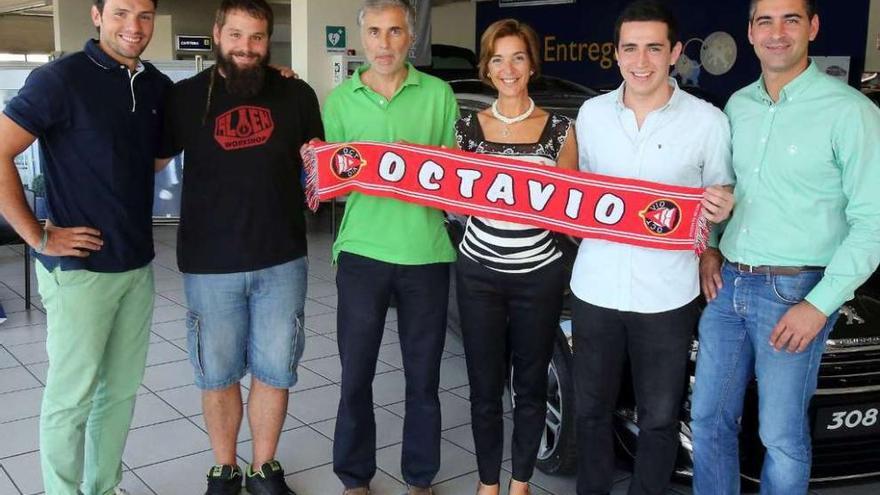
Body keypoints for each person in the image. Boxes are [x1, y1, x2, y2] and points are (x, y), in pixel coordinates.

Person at [691, 0, 880, 493]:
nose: (777, 33)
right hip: (728, 282)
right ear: (750, 33)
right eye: (765, 21)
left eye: (791, 19)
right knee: (708, 420)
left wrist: (818, 306)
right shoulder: (738, 105)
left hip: (795, 292)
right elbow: (724, 189)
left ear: (812, 28)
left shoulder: (851, 111)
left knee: (780, 435)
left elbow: (873, 224)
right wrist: (710, 247)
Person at [0, 1, 170, 494]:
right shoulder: (61, 79)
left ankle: (102, 487)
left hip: (136, 265)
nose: (133, 27)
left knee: (118, 396)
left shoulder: (155, 86)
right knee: (71, 399)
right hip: (78, 272)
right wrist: (37, 235)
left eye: (143, 15)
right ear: (96, 15)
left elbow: (153, 162)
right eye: (120, 13)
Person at [156, 1, 323, 494]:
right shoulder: (186, 97)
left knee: (275, 371)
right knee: (217, 374)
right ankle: (225, 468)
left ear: (268, 40)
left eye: (256, 37)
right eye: (236, 35)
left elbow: (320, 167)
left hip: (282, 260)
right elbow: (146, 161)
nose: (245, 48)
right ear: (216, 34)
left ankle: (264, 468)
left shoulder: (296, 93)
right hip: (209, 264)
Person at [570, 2, 735, 494]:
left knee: (660, 419)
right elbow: (574, 190)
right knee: (591, 411)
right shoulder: (591, 114)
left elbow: (721, 194)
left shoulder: (708, 122)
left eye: (654, 48)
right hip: (595, 288)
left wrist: (716, 233)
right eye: (630, 48)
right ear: (616, 54)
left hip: (667, 295)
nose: (641, 60)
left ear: (675, 53)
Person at [321, 1, 459, 494]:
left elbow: (453, 179)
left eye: (395, 31)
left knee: (423, 380)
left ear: (411, 36)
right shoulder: (339, 102)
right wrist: (316, 170)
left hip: (426, 254)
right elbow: (331, 190)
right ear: (363, 38)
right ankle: (355, 477)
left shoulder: (440, 95)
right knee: (356, 376)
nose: (385, 43)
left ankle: (419, 478)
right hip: (361, 254)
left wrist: (428, 164)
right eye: (375, 32)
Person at [452, 18, 577, 495]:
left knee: (529, 387)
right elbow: (455, 199)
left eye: (518, 57)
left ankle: (520, 481)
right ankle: (488, 484)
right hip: (478, 272)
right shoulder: (467, 128)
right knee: (484, 389)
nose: (508, 68)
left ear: (531, 65)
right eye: (498, 58)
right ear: (487, 67)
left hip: (539, 277)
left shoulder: (560, 130)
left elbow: (572, 209)